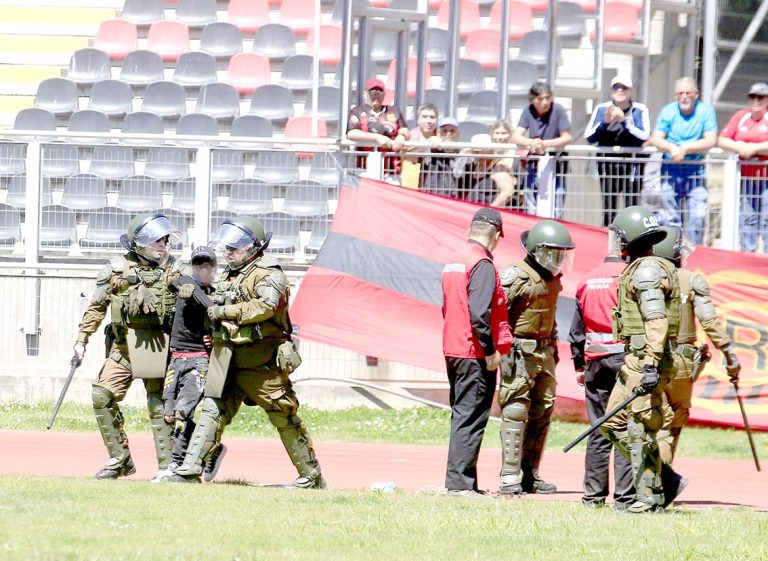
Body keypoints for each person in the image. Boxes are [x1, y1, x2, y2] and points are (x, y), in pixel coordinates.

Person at [170, 216, 325, 488]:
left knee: (282, 413)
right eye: (227, 248)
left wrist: (225, 311)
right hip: (227, 358)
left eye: (234, 248)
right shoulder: (233, 274)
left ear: (253, 248)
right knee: (211, 410)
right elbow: (217, 305)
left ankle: (312, 476)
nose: (228, 252)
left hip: (260, 362)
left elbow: (265, 306)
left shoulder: (268, 274)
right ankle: (188, 470)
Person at [73, 212, 187, 480]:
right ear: (140, 243)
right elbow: (96, 307)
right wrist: (81, 340)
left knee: (159, 406)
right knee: (102, 395)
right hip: (124, 349)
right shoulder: (116, 269)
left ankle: (168, 467)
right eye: (157, 240)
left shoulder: (175, 270)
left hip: (159, 348)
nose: (163, 245)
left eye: (166, 240)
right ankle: (119, 458)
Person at [599, 205, 686, 513]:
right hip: (636, 359)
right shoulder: (642, 267)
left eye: (620, 237)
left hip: (646, 360)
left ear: (630, 238)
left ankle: (648, 497)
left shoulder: (647, 271)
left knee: (639, 427)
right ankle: (665, 479)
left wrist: (650, 363)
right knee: (612, 423)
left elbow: (656, 320)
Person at [498, 219, 575, 495]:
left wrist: (553, 347)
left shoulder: (553, 279)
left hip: (545, 352)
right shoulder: (515, 276)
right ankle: (510, 476)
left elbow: (550, 317)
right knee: (516, 409)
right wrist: (502, 350)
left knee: (543, 411)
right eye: (554, 253)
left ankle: (530, 473)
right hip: (520, 352)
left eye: (563, 254)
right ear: (537, 250)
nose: (559, 260)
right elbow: (497, 314)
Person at [653, 226, 741, 461]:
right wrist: (729, 354)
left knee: (650, 420)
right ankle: (663, 477)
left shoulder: (641, 278)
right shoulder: (691, 280)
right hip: (680, 362)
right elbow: (709, 320)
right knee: (673, 421)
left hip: (648, 360)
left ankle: (646, 478)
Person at [442, 208, 512, 498]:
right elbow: (479, 314)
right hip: (474, 352)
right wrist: (491, 352)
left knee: (463, 415)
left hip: (454, 348)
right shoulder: (482, 263)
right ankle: (459, 484)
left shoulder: (455, 260)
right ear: (496, 236)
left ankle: (463, 482)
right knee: (471, 418)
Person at [568, 238, 634, 510]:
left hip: (595, 361)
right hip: (625, 360)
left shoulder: (587, 280)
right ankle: (625, 497)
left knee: (598, 427)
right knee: (625, 427)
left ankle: (593, 496)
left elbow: (576, 331)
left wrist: (578, 366)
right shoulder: (629, 277)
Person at [157, 245, 227, 483]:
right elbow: (183, 284)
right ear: (192, 266)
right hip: (176, 358)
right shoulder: (186, 283)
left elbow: (223, 322)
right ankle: (209, 448)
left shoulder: (217, 296)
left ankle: (178, 464)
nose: (203, 268)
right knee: (169, 414)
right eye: (199, 263)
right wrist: (212, 307)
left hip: (199, 359)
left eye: (208, 264)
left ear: (215, 267)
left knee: (182, 413)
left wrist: (215, 335)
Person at [649, 76, 718, 245]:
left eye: (688, 93)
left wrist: (686, 148)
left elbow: (711, 140)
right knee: (670, 218)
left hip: (696, 170)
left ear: (696, 94)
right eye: (680, 93)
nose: (684, 97)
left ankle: (695, 251)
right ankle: (674, 250)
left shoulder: (706, 112)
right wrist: (672, 149)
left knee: (698, 216)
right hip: (670, 169)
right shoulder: (668, 111)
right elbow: (656, 138)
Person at [585, 75, 652, 226]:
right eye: (616, 87)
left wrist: (624, 121)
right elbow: (589, 137)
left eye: (624, 88)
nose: (620, 91)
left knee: (632, 210)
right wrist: (605, 123)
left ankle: (632, 238)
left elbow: (644, 136)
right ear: (611, 91)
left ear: (630, 92)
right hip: (608, 167)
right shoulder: (602, 109)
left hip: (632, 167)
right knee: (609, 211)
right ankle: (608, 238)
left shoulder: (639, 110)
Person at [717, 82, 768, 252]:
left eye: (760, 97)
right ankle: (748, 256)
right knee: (748, 219)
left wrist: (754, 148)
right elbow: (722, 139)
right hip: (747, 179)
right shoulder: (741, 116)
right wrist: (740, 147)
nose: (756, 100)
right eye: (752, 96)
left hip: (766, 179)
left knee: (766, 220)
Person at [511, 81, 572, 218]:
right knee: (531, 207)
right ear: (532, 100)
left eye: (547, 98)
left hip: (557, 167)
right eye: (540, 99)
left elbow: (567, 137)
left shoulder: (558, 110)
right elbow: (515, 136)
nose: (545, 102)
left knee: (556, 209)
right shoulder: (528, 110)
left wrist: (546, 144)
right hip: (534, 166)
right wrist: (532, 143)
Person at [346, 77, 409, 182]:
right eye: (373, 92)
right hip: (364, 168)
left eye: (379, 92)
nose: (376, 95)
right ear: (365, 94)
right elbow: (351, 133)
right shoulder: (357, 111)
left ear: (384, 95)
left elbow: (405, 130)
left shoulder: (393, 111)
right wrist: (377, 138)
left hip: (391, 170)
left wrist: (401, 137)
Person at [459, 127, 521, 209]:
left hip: (488, 214)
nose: (477, 154)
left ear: (490, 150)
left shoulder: (499, 167)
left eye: (480, 151)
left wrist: (491, 210)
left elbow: (508, 192)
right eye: (475, 151)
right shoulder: (474, 167)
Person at [419, 116, 463, 197]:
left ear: (458, 134)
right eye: (444, 131)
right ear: (438, 133)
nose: (448, 134)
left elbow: (459, 174)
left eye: (452, 131)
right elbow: (414, 153)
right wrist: (429, 141)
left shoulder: (463, 153)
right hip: (430, 196)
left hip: (455, 198)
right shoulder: (430, 150)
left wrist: (450, 151)